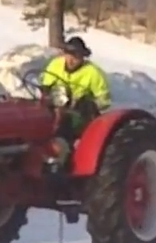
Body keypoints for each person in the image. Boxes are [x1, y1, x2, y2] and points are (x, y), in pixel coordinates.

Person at [39, 36, 112, 176]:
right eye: (69, 55)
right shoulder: (55, 65)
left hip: (80, 112)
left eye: (76, 56)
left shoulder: (93, 72)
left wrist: (90, 103)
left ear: (83, 57)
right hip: (57, 104)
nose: (71, 60)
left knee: (73, 118)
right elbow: (45, 86)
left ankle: (63, 159)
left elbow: (104, 100)